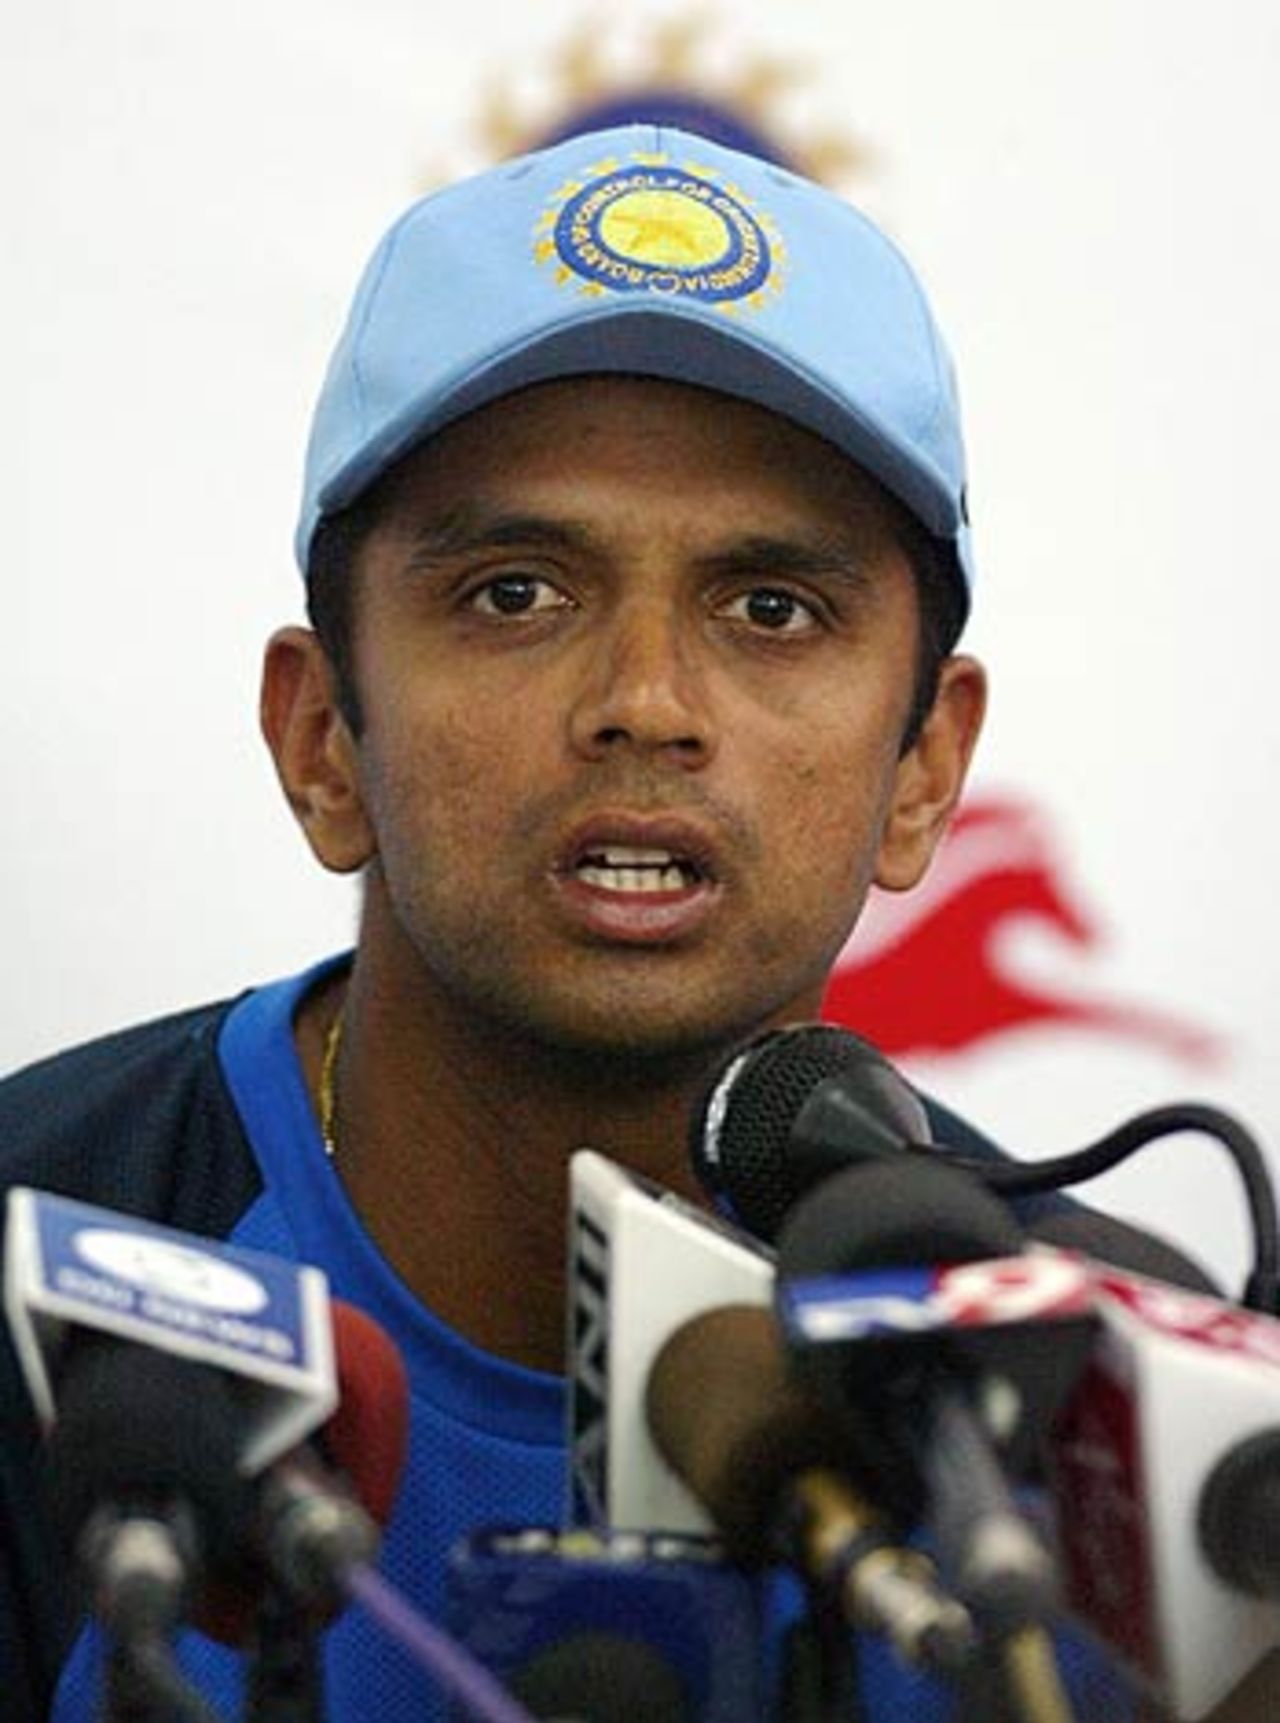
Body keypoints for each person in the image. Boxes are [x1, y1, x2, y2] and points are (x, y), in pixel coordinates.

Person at [0, 122, 1269, 1723]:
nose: (646, 704)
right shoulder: (30, 1239)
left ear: (922, 773)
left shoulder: (1129, 1423)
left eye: (771, 608)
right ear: (323, 738)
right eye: (517, 591)